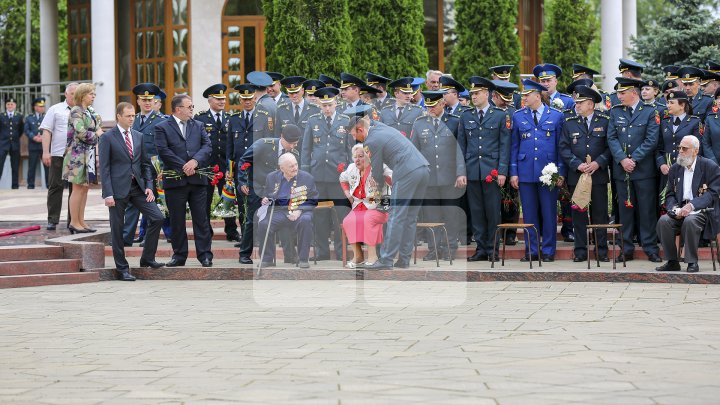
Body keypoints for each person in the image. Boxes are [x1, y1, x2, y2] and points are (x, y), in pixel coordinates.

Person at [347, 104, 430, 270]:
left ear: (360, 129)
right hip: (423, 169)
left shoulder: (371, 141)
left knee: (396, 215)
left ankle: (386, 259)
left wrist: (375, 188)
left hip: (406, 172)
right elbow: (371, 122)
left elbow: (377, 172)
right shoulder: (378, 127)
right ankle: (404, 259)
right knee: (410, 217)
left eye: (355, 135)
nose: (356, 140)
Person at [99, 102, 165, 281]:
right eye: (128, 116)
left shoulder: (138, 135)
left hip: (138, 188)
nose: (131, 119)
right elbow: (104, 168)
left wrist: (150, 187)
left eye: (133, 116)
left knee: (157, 217)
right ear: (118, 116)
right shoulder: (107, 137)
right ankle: (122, 269)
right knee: (118, 229)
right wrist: (108, 194)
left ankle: (147, 258)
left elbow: (145, 164)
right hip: (117, 190)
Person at [154, 94, 214, 268]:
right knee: (177, 220)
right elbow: (163, 150)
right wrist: (183, 166)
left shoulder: (199, 125)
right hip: (175, 182)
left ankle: (205, 256)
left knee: (201, 219)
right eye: (189, 107)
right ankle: (179, 255)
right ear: (178, 109)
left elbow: (207, 146)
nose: (192, 110)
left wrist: (194, 162)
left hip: (197, 180)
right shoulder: (162, 127)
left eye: (192, 106)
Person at [509, 79, 565, 262]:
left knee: (549, 213)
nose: (524, 98)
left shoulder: (556, 116)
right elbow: (514, 147)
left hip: (548, 172)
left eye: (527, 95)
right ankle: (531, 250)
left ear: (537, 95)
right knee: (530, 214)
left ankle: (548, 251)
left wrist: (560, 172)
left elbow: (560, 147)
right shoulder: (518, 116)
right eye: (523, 95)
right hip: (526, 172)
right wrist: (514, 172)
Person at [607, 77, 661, 263]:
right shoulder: (615, 112)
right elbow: (611, 138)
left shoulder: (649, 112)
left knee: (646, 211)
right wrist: (622, 159)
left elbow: (652, 140)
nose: (619, 96)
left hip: (643, 171)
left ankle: (650, 247)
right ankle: (626, 248)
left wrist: (634, 159)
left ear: (634, 93)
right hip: (622, 171)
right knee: (625, 211)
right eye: (618, 93)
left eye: (622, 93)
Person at [457, 78, 510, 262]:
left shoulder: (499, 115)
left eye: (477, 93)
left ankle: (493, 249)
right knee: (477, 211)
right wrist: (461, 171)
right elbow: (461, 146)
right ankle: (481, 248)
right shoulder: (466, 116)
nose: (473, 96)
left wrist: (502, 171)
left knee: (492, 211)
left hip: (491, 172)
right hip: (472, 170)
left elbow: (505, 146)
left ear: (487, 94)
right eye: (472, 94)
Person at [559, 85, 611, 262]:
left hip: (598, 176)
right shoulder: (569, 121)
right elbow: (564, 148)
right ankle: (580, 250)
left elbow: (609, 147)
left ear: (590, 104)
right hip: (578, 176)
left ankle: (601, 250)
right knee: (579, 214)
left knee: (600, 213)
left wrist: (598, 162)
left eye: (581, 103)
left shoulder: (604, 120)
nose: (577, 105)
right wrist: (577, 164)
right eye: (576, 102)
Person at [237, 124, 302, 265]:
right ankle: (244, 254)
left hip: (280, 192)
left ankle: (290, 255)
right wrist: (243, 182)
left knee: (286, 221)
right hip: (258, 188)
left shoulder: (294, 153)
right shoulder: (263, 145)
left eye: (295, 143)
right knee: (253, 220)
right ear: (281, 137)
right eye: (290, 143)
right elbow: (244, 161)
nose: (292, 146)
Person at [413, 90, 466, 261]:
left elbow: (460, 150)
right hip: (429, 178)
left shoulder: (454, 122)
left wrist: (460, 173)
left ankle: (450, 247)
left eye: (433, 105)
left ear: (443, 104)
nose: (430, 109)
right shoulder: (419, 123)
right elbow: (415, 152)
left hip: (449, 177)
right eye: (427, 105)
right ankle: (434, 248)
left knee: (450, 213)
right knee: (431, 215)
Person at [300, 86, 353, 260]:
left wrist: (350, 174)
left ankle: (341, 252)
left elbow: (351, 150)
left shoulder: (345, 121)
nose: (327, 108)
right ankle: (322, 252)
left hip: (339, 177)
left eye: (330, 104)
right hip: (318, 176)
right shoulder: (313, 120)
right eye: (324, 105)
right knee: (320, 216)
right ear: (320, 106)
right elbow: (306, 149)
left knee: (340, 215)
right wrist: (306, 176)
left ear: (336, 103)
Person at [656, 135, 720, 273]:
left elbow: (713, 193)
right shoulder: (675, 168)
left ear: (695, 151)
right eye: (679, 148)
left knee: (690, 221)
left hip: (702, 210)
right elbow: (670, 194)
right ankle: (672, 261)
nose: (680, 151)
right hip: (680, 209)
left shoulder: (709, 166)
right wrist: (674, 208)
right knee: (663, 221)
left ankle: (692, 261)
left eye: (684, 148)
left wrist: (691, 205)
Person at [229, 83, 274, 258]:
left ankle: (256, 241)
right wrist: (229, 167)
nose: (247, 102)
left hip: (259, 168)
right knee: (242, 205)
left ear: (255, 99)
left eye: (250, 99)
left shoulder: (264, 116)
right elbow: (230, 148)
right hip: (241, 168)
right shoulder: (234, 118)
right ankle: (245, 239)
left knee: (258, 208)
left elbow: (269, 142)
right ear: (240, 100)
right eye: (244, 99)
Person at [123, 83, 169, 246]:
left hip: (155, 169)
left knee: (153, 203)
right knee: (131, 203)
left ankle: (149, 237)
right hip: (134, 169)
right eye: (144, 99)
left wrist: (163, 168)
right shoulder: (131, 120)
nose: (147, 102)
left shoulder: (162, 120)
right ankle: (126, 237)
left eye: (150, 100)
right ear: (138, 101)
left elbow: (165, 146)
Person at [256, 153, 318, 268]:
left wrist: (299, 210)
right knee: (263, 223)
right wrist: (265, 199)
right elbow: (267, 194)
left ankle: (303, 258)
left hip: (301, 211)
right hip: (279, 211)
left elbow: (313, 199)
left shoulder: (307, 178)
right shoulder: (272, 177)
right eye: (291, 166)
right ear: (282, 168)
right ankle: (267, 259)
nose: (295, 168)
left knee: (306, 220)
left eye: (296, 164)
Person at [194, 83, 238, 242]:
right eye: (218, 99)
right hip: (206, 167)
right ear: (210, 100)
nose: (222, 102)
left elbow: (232, 143)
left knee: (228, 199)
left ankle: (232, 231)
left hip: (225, 167)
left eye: (223, 99)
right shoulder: (200, 118)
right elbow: (195, 143)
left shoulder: (231, 118)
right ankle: (206, 232)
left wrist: (230, 166)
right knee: (204, 201)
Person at [340, 143, 392, 268]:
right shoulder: (352, 168)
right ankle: (358, 256)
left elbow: (393, 179)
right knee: (348, 221)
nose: (357, 159)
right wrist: (348, 193)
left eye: (361, 156)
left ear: (369, 156)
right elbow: (342, 178)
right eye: (355, 156)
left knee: (367, 218)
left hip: (379, 207)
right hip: (359, 206)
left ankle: (372, 257)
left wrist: (385, 177)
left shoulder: (379, 166)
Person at [62, 83, 102, 234]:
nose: (93, 97)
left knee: (85, 188)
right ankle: (74, 222)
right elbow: (81, 132)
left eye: (94, 94)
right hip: (76, 155)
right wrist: (96, 135)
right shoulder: (76, 110)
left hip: (87, 154)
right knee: (77, 189)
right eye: (91, 94)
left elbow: (98, 124)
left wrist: (96, 131)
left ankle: (81, 220)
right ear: (83, 95)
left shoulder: (89, 111)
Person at [41, 82, 78, 230]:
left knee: (74, 189)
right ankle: (52, 219)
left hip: (76, 155)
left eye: (77, 94)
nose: (74, 96)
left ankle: (73, 221)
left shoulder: (84, 110)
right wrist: (46, 152)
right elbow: (46, 131)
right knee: (55, 186)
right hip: (58, 154)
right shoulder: (55, 109)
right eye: (72, 94)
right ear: (66, 94)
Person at [656, 91, 701, 210]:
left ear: (682, 105)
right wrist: (661, 164)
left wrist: (686, 165)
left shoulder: (695, 122)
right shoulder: (664, 122)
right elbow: (658, 147)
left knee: (685, 201)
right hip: (667, 171)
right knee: (666, 204)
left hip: (686, 170)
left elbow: (698, 149)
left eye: (671, 103)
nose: (668, 105)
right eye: (667, 102)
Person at [0, 97, 24, 189]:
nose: (10, 106)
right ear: (6, 105)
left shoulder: (19, 116)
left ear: (15, 106)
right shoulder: (1, 115)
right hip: (3, 144)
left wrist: (15, 138)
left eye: (12, 104)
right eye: (8, 104)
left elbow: (21, 130)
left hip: (15, 144)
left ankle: (15, 186)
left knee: (15, 166)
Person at [23, 97, 46, 189]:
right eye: (40, 106)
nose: (42, 108)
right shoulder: (29, 118)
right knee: (31, 166)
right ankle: (31, 185)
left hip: (44, 146)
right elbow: (26, 130)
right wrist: (34, 137)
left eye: (43, 106)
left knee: (47, 166)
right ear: (35, 107)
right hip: (33, 145)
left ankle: (48, 185)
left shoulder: (46, 117)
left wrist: (43, 137)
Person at [701, 88, 720, 164]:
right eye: (718, 98)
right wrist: (714, 163)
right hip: (715, 164)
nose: (719, 101)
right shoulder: (710, 119)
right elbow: (706, 143)